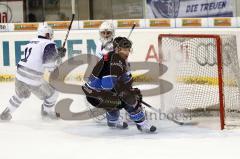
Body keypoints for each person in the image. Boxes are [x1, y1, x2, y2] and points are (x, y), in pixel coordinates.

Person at [82, 37, 157, 133]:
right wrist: (126, 93)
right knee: (129, 98)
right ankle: (142, 124)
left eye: (128, 49)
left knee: (119, 100)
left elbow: (124, 80)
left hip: (96, 94)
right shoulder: (113, 60)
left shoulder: (117, 59)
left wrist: (125, 88)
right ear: (117, 49)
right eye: (124, 49)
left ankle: (113, 121)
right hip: (96, 95)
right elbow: (108, 85)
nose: (126, 52)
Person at [0, 25, 66, 121]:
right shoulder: (48, 43)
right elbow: (49, 66)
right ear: (47, 34)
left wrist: (56, 55)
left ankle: (6, 113)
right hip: (33, 79)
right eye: (51, 35)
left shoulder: (31, 42)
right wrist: (58, 57)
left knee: (21, 95)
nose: (51, 37)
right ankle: (46, 112)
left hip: (19, 76)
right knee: (54, 93)